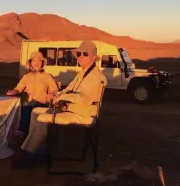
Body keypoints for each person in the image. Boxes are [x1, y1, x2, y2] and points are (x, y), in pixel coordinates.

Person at [12, 40, 108, 168]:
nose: (80, 57)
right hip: (73, 110)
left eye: (84, 54)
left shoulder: (95, 76)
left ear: (93, 57)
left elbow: (83, 99)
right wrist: (58, 95)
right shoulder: (82, 73)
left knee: (41, 118)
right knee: (35, 112)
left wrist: (59, 97)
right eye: (78, 53)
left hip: (82, 114)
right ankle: (34, 147)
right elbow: (68, 89)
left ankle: (31, 154)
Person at [6, 51, 59, 137]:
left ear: (42, 63)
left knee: (31, 109)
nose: (36, 63)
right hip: (29, 103)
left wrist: (53, 94)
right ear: (30, 63)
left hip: (42, 104)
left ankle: (23, 132)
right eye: (34, 60)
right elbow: (19, 89)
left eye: (39, 60)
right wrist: (13, 92)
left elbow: (55, 90)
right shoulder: (26, 77)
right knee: (26, 107)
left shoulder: (47, 76)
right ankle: (22, 134)